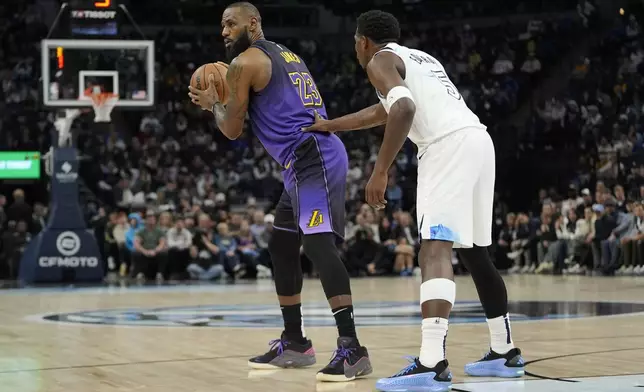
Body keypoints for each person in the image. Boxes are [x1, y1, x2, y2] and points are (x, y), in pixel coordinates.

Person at [304, 10, 524, 391]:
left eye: (356, 42)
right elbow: (385, 109)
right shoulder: (419, 57)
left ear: (363, 41)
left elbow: (403, 110)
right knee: (475, 253)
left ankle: (431, 360)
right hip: (477, 140)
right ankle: (504, 351)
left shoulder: (378, 59)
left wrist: (380, 170)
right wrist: (332, 124)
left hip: (446, 147)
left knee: (433, 249)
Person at [187, 1, 371, 382]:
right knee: (281, 245)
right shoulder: (284, 53)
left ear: (252, 23)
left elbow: (232, 130)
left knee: (318, 245)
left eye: (230, 24)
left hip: (312, 155)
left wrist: (213, 104)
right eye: (221, 25)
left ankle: (352, 349)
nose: (223, 32)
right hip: (304, 159)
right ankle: (295, 342)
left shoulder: (244, 64)